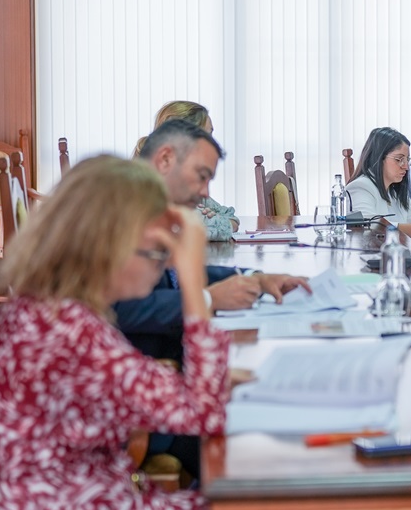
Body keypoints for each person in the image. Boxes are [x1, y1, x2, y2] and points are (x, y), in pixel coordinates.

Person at [0, 155, 235, 510]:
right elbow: (206, 411)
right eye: (156, 254)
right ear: (108, 246)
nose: (161, 269)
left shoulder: (41, 313)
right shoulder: (72, 333)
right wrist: (194, 282)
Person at [115, 119, 309, 362]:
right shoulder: (119, 208)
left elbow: (177, 276)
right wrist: (209, 298)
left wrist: (254, 279)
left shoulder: (156, 208)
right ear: (165, 160)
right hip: (141, 370)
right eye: (201, 176)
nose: (206, 192)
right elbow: (118, 308)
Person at [134, 99, 239, 241]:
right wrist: (216, 224)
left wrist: (216, 221)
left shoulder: (189, 188)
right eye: (205, 136)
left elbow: (231, 218)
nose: (205, 193)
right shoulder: (149, 194)